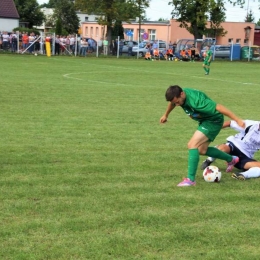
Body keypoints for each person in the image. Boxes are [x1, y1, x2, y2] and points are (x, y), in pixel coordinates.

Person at [160, 85, 244, 187]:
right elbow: (172, 103)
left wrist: (237, 119)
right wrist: (166, 115)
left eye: (177, 102)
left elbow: (219, 107)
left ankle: (190, 180)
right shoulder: (179, 95)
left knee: (192, 145)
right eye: (175, 102)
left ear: (181, 94)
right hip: (205, 121)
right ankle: (232, 159)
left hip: (213, 121)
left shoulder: (197, 102)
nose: (176, 105)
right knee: (201, 150)